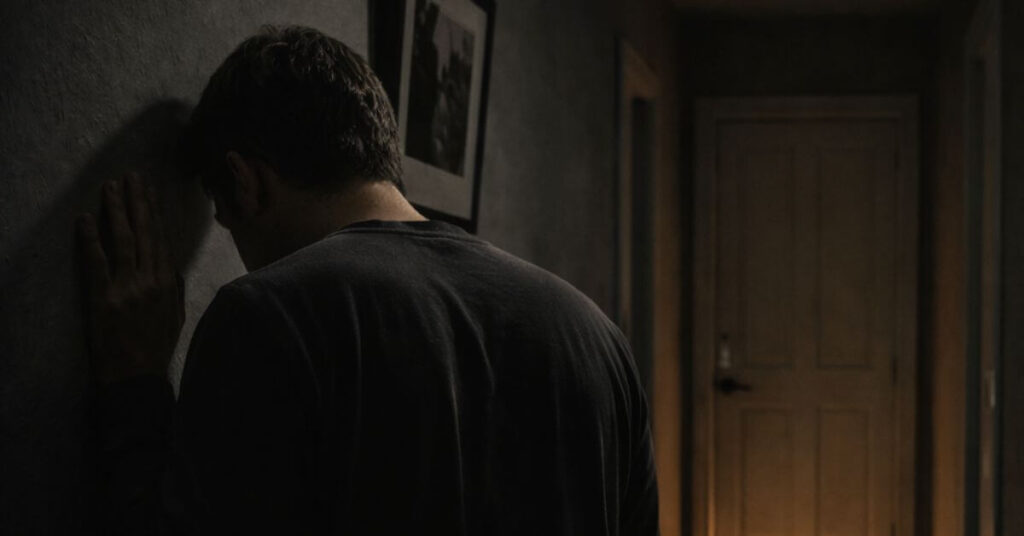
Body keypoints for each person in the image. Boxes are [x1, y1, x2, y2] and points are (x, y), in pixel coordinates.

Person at [76, 25, 659, 535]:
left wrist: (136, 383)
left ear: (244, 180)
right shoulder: (596, 334)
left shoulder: (266, 315)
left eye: (228, 225)